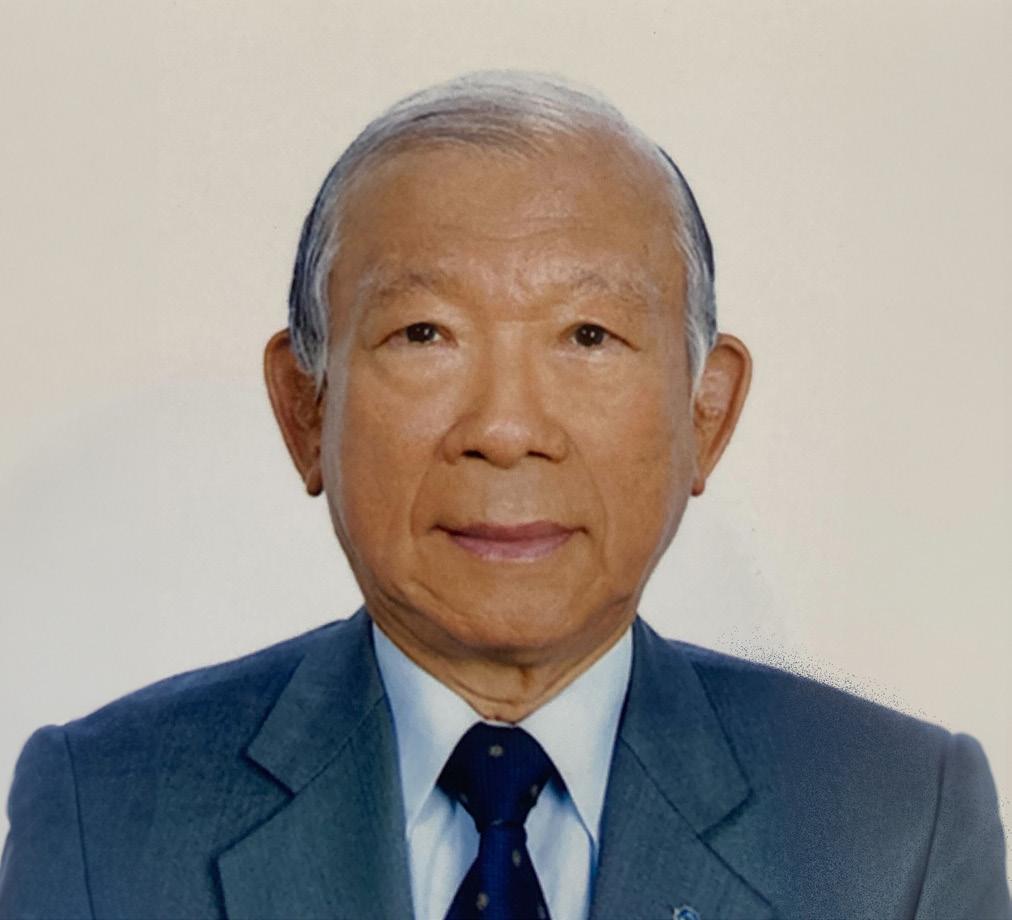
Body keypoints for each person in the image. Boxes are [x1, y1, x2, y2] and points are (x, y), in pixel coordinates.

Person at [0, 70, 1007, 920]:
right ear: (305, 408)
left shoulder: (896, 821)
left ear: (707, 412)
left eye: (588, 336)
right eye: (424, 334)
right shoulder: (103, 813)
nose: (507, 427)